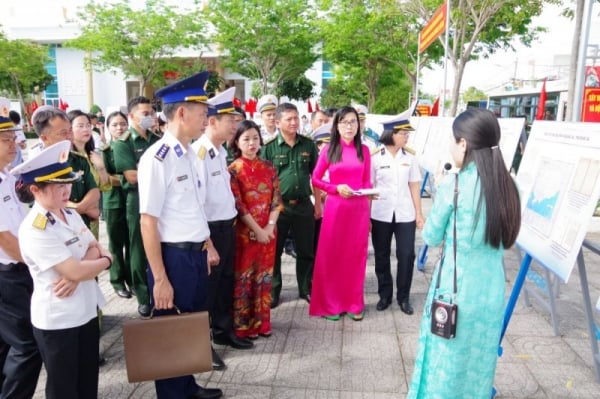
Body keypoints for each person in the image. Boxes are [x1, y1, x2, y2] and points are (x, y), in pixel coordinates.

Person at [408, 108, 521, 398]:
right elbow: (508, 239)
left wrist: (439, 193)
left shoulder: (454, 186)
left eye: (453, 139)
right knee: (479, 364)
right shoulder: (509, 186)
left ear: (463, 143)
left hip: (454, 292)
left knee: (445, 363)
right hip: (491, 293)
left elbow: (431, 236)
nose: (451, 145)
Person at [138, 71, 223, 399]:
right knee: (171, 328)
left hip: (195, 253)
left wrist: (208, 243)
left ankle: (187, 386)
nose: (206, 120)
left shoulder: (187, 154)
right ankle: (173, 394)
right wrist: (160, 278)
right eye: (203, 114)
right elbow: (148, 222)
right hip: (173, 257)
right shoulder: (157, 159)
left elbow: (194, 208)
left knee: (191, 325)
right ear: (182, 112)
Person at [13, 140, 111, 399]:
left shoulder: (69, 213)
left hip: (86, 309)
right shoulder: (35, 228)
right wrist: (104, 263)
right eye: (57, 186)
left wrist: (79, 272)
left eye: (67, 182)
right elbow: (81, 266)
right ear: (35, 189)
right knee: (63, 389)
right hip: (58, 320)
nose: (66, 190)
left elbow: (91, 249)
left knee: (87, 382)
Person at [192, 87, 254, 372]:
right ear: (212, 121)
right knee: (209, 288)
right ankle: (203, 346)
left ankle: (223, 330)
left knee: (226, 282)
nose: (234, 124)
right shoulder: (200, 154)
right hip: (210, 232)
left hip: (227, 227)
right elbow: (198, 204)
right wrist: (208, 244)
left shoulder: (217, 152)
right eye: (229, 119)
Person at [309, 106, 372, 321]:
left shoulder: (364, 150)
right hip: (336, 209)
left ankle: (354, 303)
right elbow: (316, 179)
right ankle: (331, 304)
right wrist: (335, 188)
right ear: (337, 125)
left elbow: (366, 182)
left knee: (356, 256)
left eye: (353, 121)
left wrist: (370, 199)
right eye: (344, 122)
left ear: (359, 125)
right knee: (333, 256)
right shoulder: (329, 149)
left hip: (359, 210)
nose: (349, 126)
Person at [262, 103, 320, 309]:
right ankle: (274, 291)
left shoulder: (308, 145)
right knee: (275, 252)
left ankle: (306, 288)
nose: (294, 122)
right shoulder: (268, 148)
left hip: (304, 205)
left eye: (296, 118)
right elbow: (264, 182)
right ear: (277, 123)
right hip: (279, 209)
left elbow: (317, 177)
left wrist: (318, 204)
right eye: (289, 119)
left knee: (306, 250)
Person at [0, 114, 42, 398]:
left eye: (12, 138)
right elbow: (5, 239)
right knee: (28, 346)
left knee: (7, 346)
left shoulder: (6, 176)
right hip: (9, 274)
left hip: (17, 270)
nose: (12, 144)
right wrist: (38, 265)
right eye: (4, 140)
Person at [228, 119, 282, 338]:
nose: (251, 143)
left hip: (268, 234)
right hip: (245, 234)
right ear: (237, 143)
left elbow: (276, 201)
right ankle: (243, 326)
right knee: (244, 278)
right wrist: (257, 230)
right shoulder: (233, 170)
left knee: (264, 276)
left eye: (255, 138)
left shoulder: (268, 167)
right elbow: (238, 204)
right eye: (246, 139)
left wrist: (269, 227)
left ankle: (262, 324)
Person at [370, 111, 424, 314]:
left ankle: (404, 297)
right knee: (382, 255)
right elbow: (370, 187)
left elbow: (414, 187)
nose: (406, 136)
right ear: (391, 134)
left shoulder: (410, 157)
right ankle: (385, 295)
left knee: (407, 254)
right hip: (381, 213)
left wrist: (419, 213)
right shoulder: (375, 157)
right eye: (403, 133)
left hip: (405, 214)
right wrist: (367, 217)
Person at [112, 96, 160, 317]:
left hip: (160, 198)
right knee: (138, 249)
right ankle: (143, 297)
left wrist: (144, 168)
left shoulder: (157, 139)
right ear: (131, 116)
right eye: (145, 113)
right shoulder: (123, 142)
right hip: (137, 200)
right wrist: (152, 170)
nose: (150, 116)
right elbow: (131, 176)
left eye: (151, 112)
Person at [102, 111, 132, 298]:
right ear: (108, 128)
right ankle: (117, 281)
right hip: (113, 201)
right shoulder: (106, 151)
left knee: (132, 243)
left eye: (122, 123)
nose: (119, 128)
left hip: (131, 200)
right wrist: (128, 178)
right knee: (115, 243)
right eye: (114, 124)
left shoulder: (130, 147)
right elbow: (106, 179)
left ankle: (132, 280)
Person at [67, 110, 110, 238]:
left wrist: (101, 168)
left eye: (88, 125)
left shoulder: (92, 155)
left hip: (93, 221)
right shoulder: (66, 157)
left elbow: (104, 187)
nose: (86, 129)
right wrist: (85, 208)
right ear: (69, 129)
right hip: (73, 219)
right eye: (80, 126)